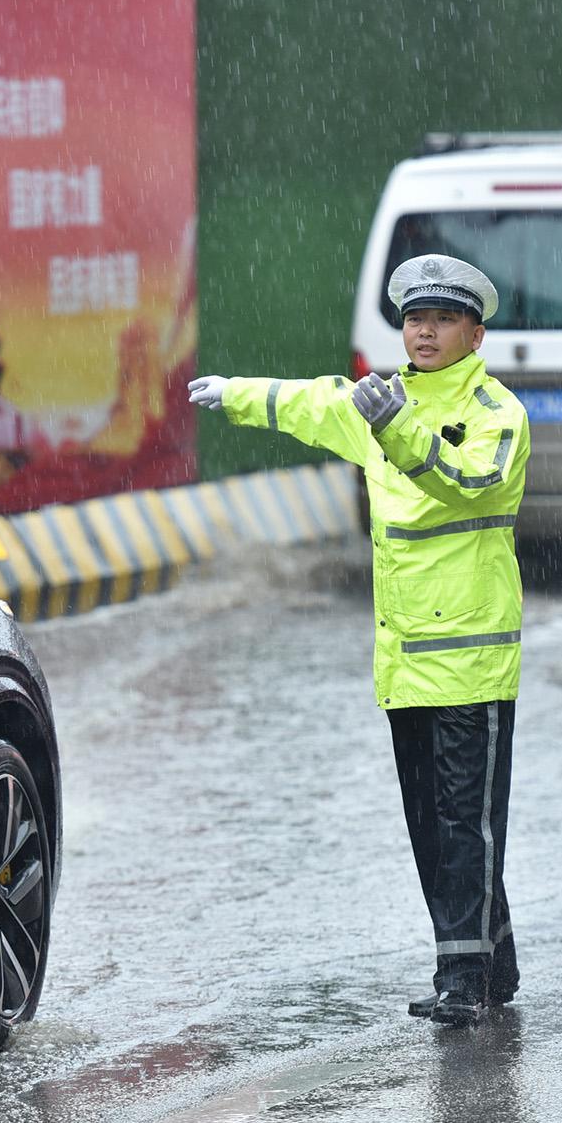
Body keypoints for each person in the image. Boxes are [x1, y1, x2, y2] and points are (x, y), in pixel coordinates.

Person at [187, 254, 529, 1027]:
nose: (425, 333)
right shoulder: (382, 403)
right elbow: (312, 403)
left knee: (465, 828)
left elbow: (468, 482)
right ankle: (493, 964)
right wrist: (236, 393)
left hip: (472, 661)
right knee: (434, 829)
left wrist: (395, 427)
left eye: (443, 320)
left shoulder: (497, 413)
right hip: (405, 663)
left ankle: (463, 979)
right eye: (415, 320)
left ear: (476, 334)